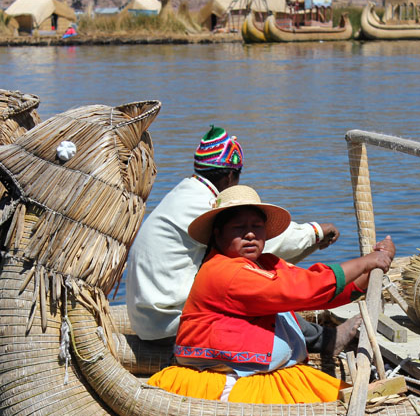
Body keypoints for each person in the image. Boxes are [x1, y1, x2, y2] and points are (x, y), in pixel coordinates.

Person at [147, 185, 395, 404]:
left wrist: (375, 269)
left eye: (256, 227)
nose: (250, 234)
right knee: (345, 401)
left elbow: (319, 291)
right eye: (239, 228)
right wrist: (366, 261)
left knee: (354, 397)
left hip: (269, 374)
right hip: (230, 381)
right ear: (218, 234)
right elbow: (304, 289)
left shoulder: (265, 264)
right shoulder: (223, 272)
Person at [126, 126, 355, 351]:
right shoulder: (203, 205)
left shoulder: (184, 193)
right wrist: (315, 233)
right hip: (167, 325)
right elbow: (266, 242)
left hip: (149, 319)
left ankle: (316, 336)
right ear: (229, 177)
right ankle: (325, 340)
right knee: (262, 295)